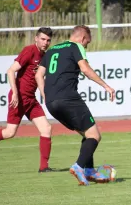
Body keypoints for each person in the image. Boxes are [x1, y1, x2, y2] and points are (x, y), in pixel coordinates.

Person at [0, 27, 54, 172]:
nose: (45, 42)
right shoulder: (29, 50)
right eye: (43, 39)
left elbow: (39, 77)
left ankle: (44, 167)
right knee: (9, 132)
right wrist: (15, 94)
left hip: (30, 99)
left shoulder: (46, 56)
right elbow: (11, 70)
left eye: (48, 40)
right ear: (36, 39)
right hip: (18, 98)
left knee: (47, 128)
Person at [35, 25, 115, 186]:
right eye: (87, 44)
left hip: (51, 103)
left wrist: (46, 96)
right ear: (83, 38)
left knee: (87, 134)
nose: (86, 47)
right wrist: (105, 86)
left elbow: (38, 75)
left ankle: (90, 171)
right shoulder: (75, 46)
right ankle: (78, 167)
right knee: (95, 136)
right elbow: (85, 69)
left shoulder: (52, 50)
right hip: (68, 98)